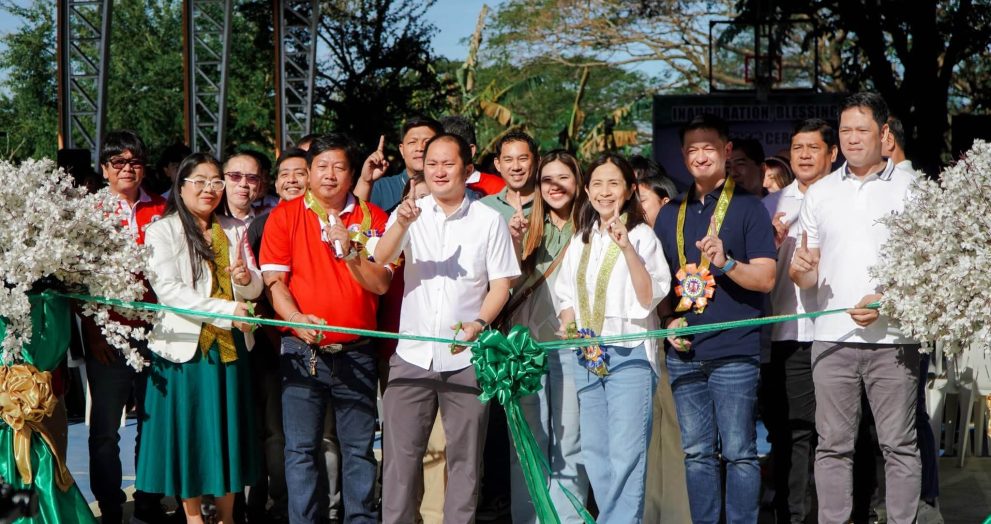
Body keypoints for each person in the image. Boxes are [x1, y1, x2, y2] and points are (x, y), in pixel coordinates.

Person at [790, 92, 922, 524]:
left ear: (884, 134)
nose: (851, 138)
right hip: (832, 340)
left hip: (895, 340)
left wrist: (887, 300)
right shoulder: (820, 192)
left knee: (899, 445)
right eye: (845, 130)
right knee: (832, 446)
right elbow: (808, 275)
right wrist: (800, 272)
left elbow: (929, 269)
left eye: (861, 130)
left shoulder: (915, 188)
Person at [375, 133, 519, 523]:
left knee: (465, 462)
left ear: (467, 170)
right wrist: (400, 224)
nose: (439, 171)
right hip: (411, 357)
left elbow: (501, 285)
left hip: (466, 360)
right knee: (400, 462)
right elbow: (380, 258)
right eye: (432, 164)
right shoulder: (410, 212)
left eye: (448, 164)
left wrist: (479, 323)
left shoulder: (488, 220)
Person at [260, 134, 393, 524]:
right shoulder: (284, 216)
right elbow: (275, 283)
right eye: (322, 166)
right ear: (308, 172)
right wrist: (296, 319)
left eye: (339, 167)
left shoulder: (373, 218)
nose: (330, 175)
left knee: (359, 450)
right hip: (301, 351)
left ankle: (361, 519)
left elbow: (381, 284)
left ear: (352, 174)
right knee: (300, 449)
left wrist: (350, 251)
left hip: (358, 352)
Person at [654, 114, 777, 523]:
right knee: (696, 453)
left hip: (735, 350)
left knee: (740, 452)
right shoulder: (670, 213)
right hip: (685, 352)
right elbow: (660, 283)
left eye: (709, 147)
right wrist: (667, 320)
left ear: (726, 151)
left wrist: (725, 263)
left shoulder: (749, 207)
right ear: (682, 155)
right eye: (693, 149)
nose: (701, 156)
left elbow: (766, 278)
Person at [137, 152, 262, 524]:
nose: (210, 189)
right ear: (181, 186)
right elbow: (169, 291)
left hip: (230, 350)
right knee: (190, 439)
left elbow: (254, 286)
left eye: (216, 182)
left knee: (227, 438)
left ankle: (225, 517)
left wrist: (245, 281)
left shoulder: (234, 228)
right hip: (185, 353)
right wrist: (228, 310)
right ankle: (194, 518)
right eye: (201, 181)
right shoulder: (162, 230)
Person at [554, 153, 670, 523]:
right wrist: (569, 322)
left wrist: (627, 248)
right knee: (595, 454)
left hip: (629, 353)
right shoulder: (581, 238)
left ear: (630, 189)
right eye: (597, 184)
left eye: (614, 183)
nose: (605, 192)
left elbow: (649, 297)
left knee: (626, 453)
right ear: (587, 191)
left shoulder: (642, 236)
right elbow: (565, 294)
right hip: (587, 355)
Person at [81, 130, 168, 524]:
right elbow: (78, 279)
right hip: (108, 336)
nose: (127, 169)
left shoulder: (164, 209)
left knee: (153, 424)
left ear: (144, 168)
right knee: (104, 431)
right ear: (105, 169)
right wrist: (93, 333)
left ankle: (148, 501)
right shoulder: (88, 212)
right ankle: (111, 507)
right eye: (118, 162)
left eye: (135, 162)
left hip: (157, 334)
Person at [502, 150, 589, 523]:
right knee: (527, 444)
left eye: (563, 178)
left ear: (578, 182)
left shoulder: (591, 229)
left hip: (573, 348)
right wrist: (515, 242)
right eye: (547, 179)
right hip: (527, 348)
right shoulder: (525, 227)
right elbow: (502, 283)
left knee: (570, 445)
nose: (555, 186)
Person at [761, 119, 837, 524]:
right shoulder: (770, 204)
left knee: (839, 433)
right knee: (789, 431)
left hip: (837, 332)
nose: (804, 155)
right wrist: (772, 245)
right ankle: (791, 513)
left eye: (813, 147)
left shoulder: (843, 199)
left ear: (832, 153)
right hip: (785, 333)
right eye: (797, 148)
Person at [242, 148, 309, 523]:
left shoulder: (325, 222)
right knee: (270, 429)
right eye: (285, 174)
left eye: (300, 172)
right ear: (274, 182)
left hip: (313, 341)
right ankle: (264, 502)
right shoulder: (260, 226)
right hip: (271, 341)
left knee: (313, 436)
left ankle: (300, 506)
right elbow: (258, 288)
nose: (292, 180)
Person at [631, 158, 691, 524]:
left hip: (676, 351)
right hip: (636, 354)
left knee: (675, 436)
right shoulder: (623, 239)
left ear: (665, 202)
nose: (633, 207)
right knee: (644, 437)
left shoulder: (677, 244)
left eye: (641, 200)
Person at [354, 116, 444, 213]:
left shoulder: (450, 185)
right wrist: (365, 182)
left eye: (427, 142)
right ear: (402, 150)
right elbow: (354, 219)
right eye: (412, 142)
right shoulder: (381, 188)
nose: (419, 148)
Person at [439, 115, 506, 196]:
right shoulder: (432, 185)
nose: (441, 155)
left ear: (470, 151)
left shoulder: (499, 189)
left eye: (449, 148)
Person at [481, 131, 539, 222]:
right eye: (508, 160)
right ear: (498, 164)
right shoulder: (483, 207)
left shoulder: (551, 204)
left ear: (537, 161)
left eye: (523, 159)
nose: (516, 167)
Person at [222, 152, 265, 225]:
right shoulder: (208, 220)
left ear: (259, 184)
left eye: (252, 178)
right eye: (235, 176)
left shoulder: (268, 222)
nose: (243, 184)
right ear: (222, 179)